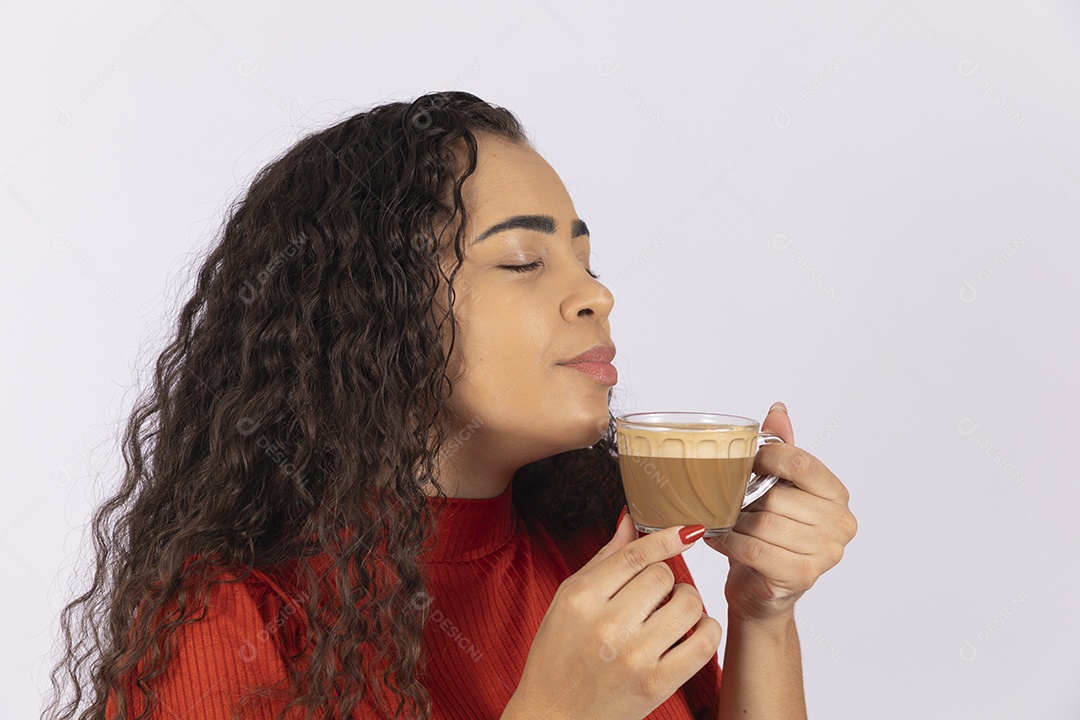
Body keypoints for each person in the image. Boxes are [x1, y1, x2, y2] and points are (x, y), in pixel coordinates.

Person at [42, 91, 857, 720]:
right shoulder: (230, 613)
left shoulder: (602, 543)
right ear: (372, 308)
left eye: (585, 258)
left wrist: (762, 612)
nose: (597, 295)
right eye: (521, 260)